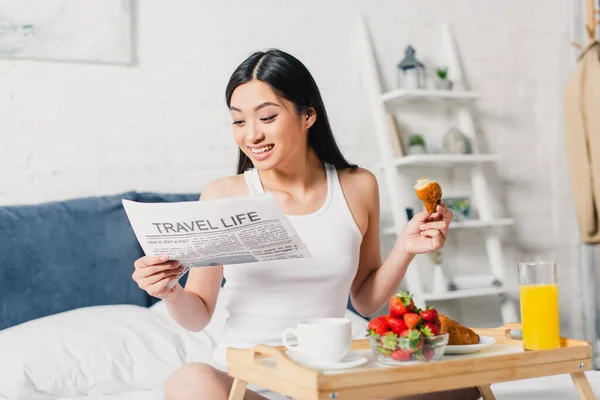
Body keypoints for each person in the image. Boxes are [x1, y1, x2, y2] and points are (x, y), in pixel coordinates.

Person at [132, 49, 479, 400]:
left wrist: (404, 248)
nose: (250, 136)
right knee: (189, 382)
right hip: (248, 387)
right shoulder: (223, 194)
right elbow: (198, 316)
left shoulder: (358, 186)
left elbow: (365, 300)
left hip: (330, 383)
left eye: (266, 117)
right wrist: (170, 291)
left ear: (308, 114)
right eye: (239, 122)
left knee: (464, 385)